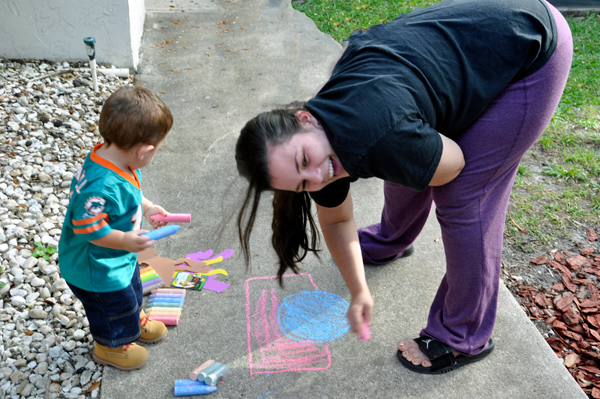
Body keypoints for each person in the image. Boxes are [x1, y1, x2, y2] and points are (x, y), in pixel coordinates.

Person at [235, 0, 572, 374]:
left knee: (463, 196)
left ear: (305, 118)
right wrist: (359, 290)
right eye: (301, 185)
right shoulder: (317, 145)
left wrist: (424, 143)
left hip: (533, 44)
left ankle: (463, 334)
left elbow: (454, 164)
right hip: (475, 31)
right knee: (406, 160)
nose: (317, 178)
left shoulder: (377, 132)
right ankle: (391, 239)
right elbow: (334, 222)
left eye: (303, 162)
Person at [58, 86, 174, 370]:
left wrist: (147, 207)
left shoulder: (111, 156)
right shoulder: (101, 186)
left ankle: (133, 320)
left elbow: (130, 194)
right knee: (110, 306)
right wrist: (123, 240)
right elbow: (88, 228)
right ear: (144, 151)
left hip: (116, 258)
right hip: (95, 269)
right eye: (157, 150)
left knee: (131, 288)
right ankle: (111, 345)